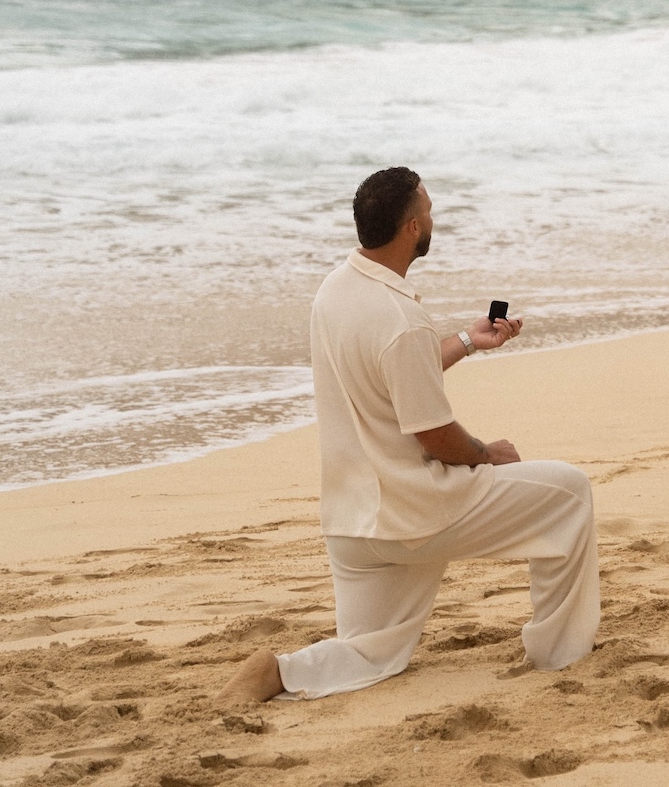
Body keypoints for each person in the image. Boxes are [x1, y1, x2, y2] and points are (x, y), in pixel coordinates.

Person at [216, 166, 599, 702]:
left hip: (353, 525)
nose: (433, 217)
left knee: (372, 651)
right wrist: (490, 454)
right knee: (568, 492)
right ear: (413, 227)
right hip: (415, 514)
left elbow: (391, 374)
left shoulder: (333, 292)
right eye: (430, 210)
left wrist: (468, 339)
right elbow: (435, 436)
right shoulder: (400, 316)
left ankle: (281, 671)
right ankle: (560, 655)